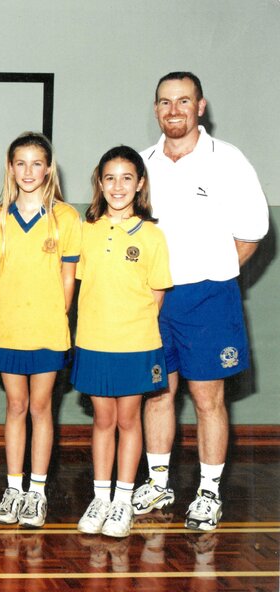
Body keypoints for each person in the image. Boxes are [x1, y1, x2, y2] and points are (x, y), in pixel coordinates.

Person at [134, 72, 268, 531]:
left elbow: (252, 231)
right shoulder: (141, 163)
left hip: (210, 297)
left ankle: (209, 491)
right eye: (166, 102)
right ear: (156, 109)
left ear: (201, 106)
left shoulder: (227, 161)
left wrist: (213, 271)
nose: (174, 110)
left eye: (184, 101)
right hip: (154, 300)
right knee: (157, 393)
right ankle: (158, 483)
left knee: (208, 398)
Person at [73, 146, 171, 538]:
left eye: (126, 178)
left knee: (129, 420)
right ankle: (100, 497)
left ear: (140, 184)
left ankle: (123, 501)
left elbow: (157, 295)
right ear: (100, 183)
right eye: (110, 178)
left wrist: (134, 331)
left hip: (134, 343)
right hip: (93, 341)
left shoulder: (152, 236)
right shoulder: (87, 231)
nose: (118, 186)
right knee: (103, 420)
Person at [0, 132, 81, 528]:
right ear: (11, 168)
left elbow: (69, 279)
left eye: (36, 163)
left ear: (48, 168)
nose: (28, 171)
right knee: (15, 407)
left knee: (42, 408)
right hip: (7, 329)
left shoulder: (66, 218)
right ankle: (13, 488)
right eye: (20, 163)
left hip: (47, 332)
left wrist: (54, 318)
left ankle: (37, 491)